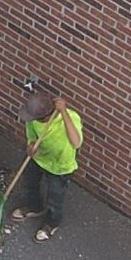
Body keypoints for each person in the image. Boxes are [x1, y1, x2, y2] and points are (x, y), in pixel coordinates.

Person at [18, 92, 84, 241]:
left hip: (60, 166)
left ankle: (52, 223)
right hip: (39, 159)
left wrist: (64, 112)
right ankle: (34, 207)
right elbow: (31, 140)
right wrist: (31, 148)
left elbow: (76, 142)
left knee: (55, 197)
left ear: (46, 116)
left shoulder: (70, 117)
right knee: (30, 182)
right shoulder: (32, 120)